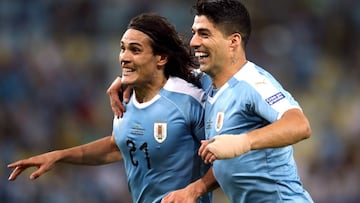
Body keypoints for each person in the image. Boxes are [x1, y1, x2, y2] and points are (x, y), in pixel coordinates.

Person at [107, 0, 314, 202]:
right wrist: (129, 79)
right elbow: (162, 73)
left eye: (204, 34)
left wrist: (243, 142)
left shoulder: (253, 83)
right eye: (195, 32)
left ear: (233, 41)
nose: (194, 42)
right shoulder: (207, 81)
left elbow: (299, 125)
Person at [7, 13, 216, 203]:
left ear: (161, 58)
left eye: (135, 50)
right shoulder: (124, 100)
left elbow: (227, 158)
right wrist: (59, 156)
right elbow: (119, 146)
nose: (124, 57)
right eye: (122, 48)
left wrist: (194, 191)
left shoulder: (189, 100)